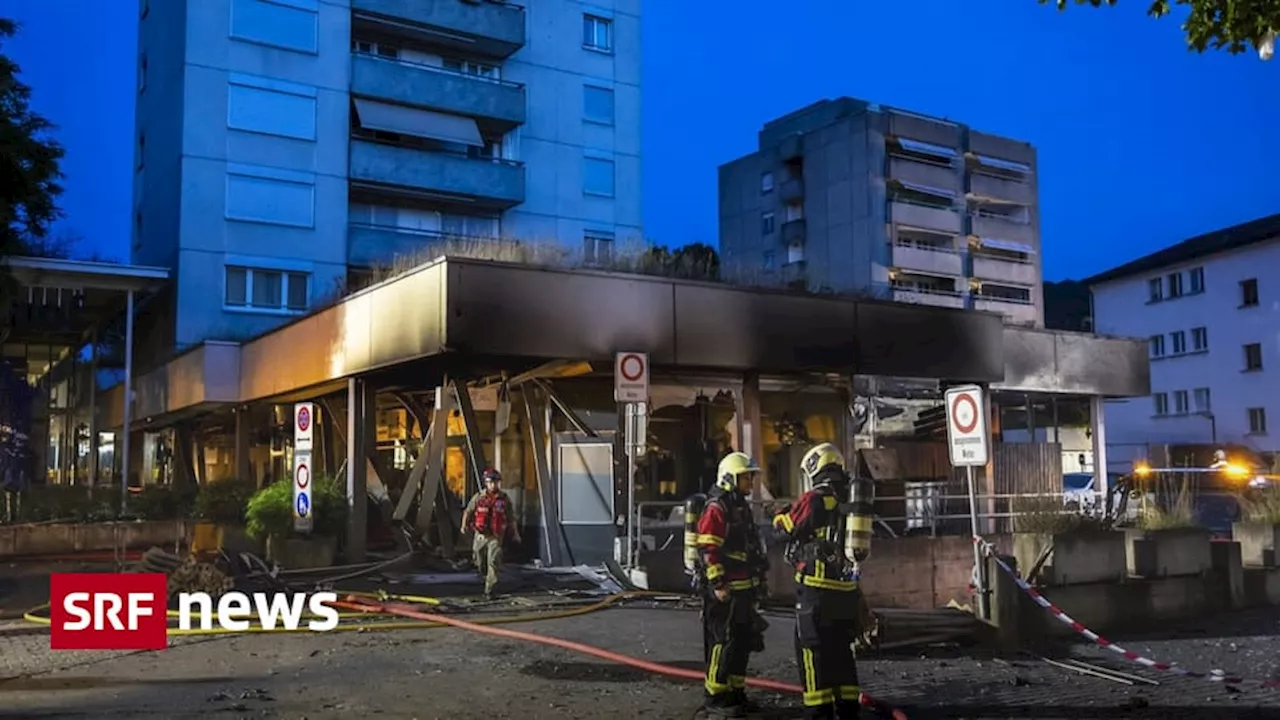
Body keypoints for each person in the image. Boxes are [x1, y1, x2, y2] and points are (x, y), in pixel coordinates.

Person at [772, 443, 874, 720]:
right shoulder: (850, 499)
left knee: (812, 653)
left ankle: (819, 712)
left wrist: (779, 516)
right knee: (842, 653)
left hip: (817, 592)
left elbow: (786, 530)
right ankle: (848, 710)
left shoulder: (815, 498)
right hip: (846, 592)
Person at [694, 451, 769, 718]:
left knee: (742, 641)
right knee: (722, 642)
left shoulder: (739, 505)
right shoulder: (717, 508)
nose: (751, 481)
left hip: (744, 588)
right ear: (730, 478)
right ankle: (715, 696)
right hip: (726, 591)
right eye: (746, 477)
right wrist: (717, 583)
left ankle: (736, 693)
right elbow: (708, 548)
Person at [461, 468, 520, 598]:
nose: (494, 485)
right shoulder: (478, 497)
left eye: (496, 482)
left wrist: (515, 534)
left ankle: (489, 590)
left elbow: (511, 518)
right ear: (486, 483)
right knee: (478, 558)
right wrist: (464, 525)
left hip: (496, 536)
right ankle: (484, 573)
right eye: (491, 482)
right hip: (481, 535)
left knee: (493, 561)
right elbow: (468, 511)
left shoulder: (504, 499)